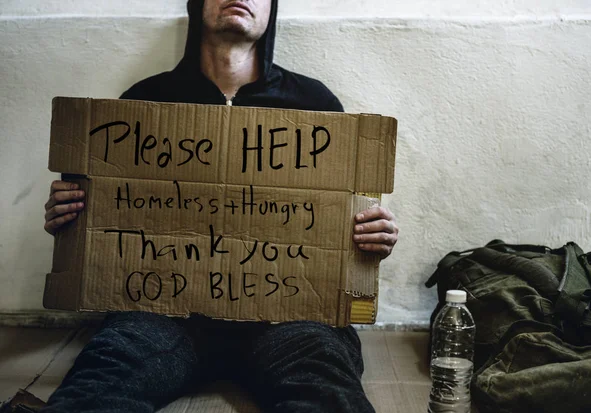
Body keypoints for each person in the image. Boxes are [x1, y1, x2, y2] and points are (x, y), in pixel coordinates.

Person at [41, 1, 399, 412]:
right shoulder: (142, 103)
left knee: (324, 385)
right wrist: (71, 219)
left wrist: (373, 235)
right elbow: (102, 227)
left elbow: (348, 227)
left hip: (290, 315)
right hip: (164, 314)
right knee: (104, 375)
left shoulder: (316, 106)